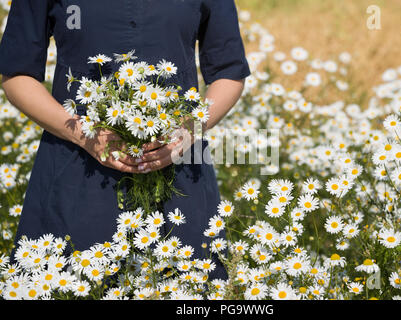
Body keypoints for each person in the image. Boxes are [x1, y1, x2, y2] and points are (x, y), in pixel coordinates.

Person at [0, 0, 251, 280]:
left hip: (179, 173)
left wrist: (186, 132)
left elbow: (229, 71)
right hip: (75, 173)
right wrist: (84, 134)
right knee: (70, 284)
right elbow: (17, 73)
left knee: (187, 284)